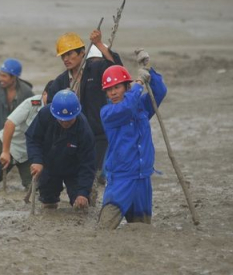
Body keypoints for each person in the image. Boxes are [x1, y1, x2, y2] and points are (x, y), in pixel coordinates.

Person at [97, 51, 167, 229]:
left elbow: (159, 92)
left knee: (142, 228)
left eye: (117, 88)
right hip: (121, 177)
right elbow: (126, 107)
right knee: (104, 229)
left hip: (143, 176)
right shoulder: (108, 113)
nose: (112, 93)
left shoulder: (140, 107)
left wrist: (148, 70)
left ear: (125, 87)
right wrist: (138, 84)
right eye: (109, 90)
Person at [48, 31, 123, 185]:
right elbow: (51, 107)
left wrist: (99, 44)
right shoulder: (61, 82)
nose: (66, 59)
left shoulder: (96, 70)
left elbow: (116, 67)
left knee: (93, 176)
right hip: (73, 136)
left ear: (82, 52)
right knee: (76, 176)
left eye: (69, 54)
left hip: (98, 134)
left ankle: (91, 202)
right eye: (63, 56)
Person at [26, 89, 96, 209]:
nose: (64, 122)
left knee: (80, 206)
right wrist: (36, 160)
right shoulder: (45, 114)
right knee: (48, 203)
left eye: (68, 120)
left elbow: (88, 164)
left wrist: (83, 192)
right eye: (61, 119)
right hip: (49, 165)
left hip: (74, 169)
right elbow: (33, 138)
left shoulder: (84, 130)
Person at [0, 80, 53, 189]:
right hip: (9, 144)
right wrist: (5, 151)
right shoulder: (32, 103)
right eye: (49, 100)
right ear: (44, 94)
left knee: (35, 187)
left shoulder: (57, 109)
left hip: (28, 152)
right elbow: (9, 123)